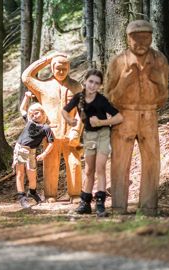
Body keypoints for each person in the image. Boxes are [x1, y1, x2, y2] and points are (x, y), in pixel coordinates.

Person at [105, 20, 169, 216]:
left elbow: (164, 96)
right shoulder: (118, 61)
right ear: (127, 38)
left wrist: (159, 83)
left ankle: (148, 206)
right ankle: (118, 206)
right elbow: (108, 96)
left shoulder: (160, 60)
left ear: (151, 37)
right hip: (124, 116)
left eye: (146, 37)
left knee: (151, 160)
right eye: (136, 38)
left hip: (149, 114)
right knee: (120, 160)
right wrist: (124, 83)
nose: (141, 42)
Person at [22, 53, 83, 203]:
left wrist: (77, 130)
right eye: (58, 68)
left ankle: (75, 194)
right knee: (50, 164)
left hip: (71, 133)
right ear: (52, 68)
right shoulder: (43, 86)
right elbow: (26, 76)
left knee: (74, 164)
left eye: (64, 68)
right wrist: (49, 58)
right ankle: (50, 195)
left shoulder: (76, 86)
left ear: (69, 68)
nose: (61, 71)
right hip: (50, 133)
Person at [62, 69, 123, 217]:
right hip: (88, 136)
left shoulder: (101, 100)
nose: (93, 85)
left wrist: (102, 121)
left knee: (100, 168)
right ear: (85, 81)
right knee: (89, 170)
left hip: (103, 134)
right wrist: (69, 120)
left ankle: (100, 204)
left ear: (100, 86)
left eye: (96, 83)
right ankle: (85, 203)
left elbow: (119, 117)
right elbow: (64, 110)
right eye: (91, 81)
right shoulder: (78, 97)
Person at [13, 91, 54, 208]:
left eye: (36, 113)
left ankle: (32, 192)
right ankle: (21, 197)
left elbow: (51, 143)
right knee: (20, 173)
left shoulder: (46, 128)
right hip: (21, 148)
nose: (34, 116)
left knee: (32, 173)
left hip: (32, 151)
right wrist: (26, 97)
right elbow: (22, 108)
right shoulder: (29, 121)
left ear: (43, 113)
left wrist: (44, 154)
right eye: (32, 114)